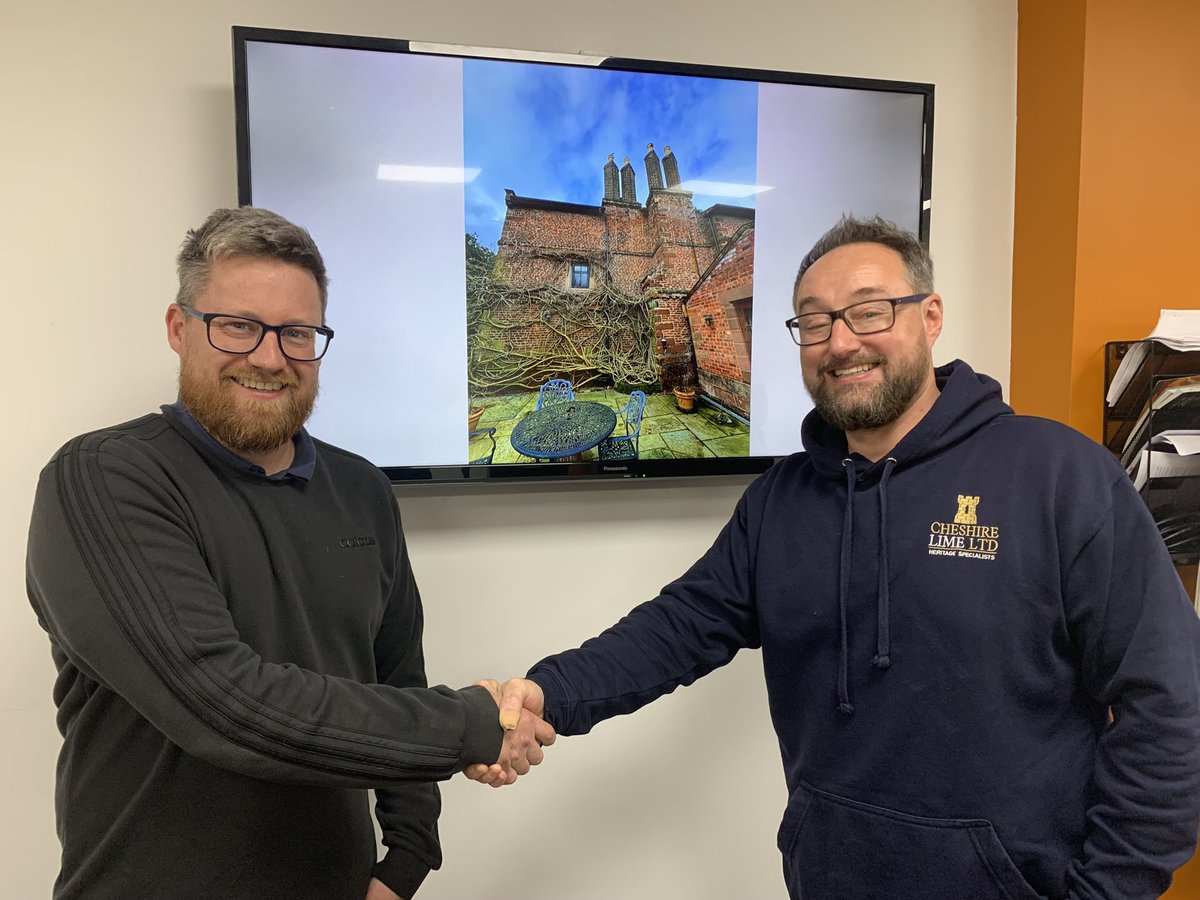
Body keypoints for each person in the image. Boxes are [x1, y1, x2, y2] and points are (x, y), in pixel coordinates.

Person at [469, 216, 1200, 899]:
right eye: (814, 322)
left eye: (869, 310)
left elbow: (1170, 703)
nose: (841, 342)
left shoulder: (1056, 475)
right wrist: (546, 692)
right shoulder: (782, 498)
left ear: (930, 316)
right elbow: (679, 626)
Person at [26, 207, 552, 900]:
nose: (270, 357)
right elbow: (225, 708)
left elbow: (397, 680)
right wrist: (475, 724)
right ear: (180, 330)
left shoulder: (362, 489)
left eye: (297, 333)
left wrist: (404, 863)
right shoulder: (103, 478)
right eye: (238, 325)